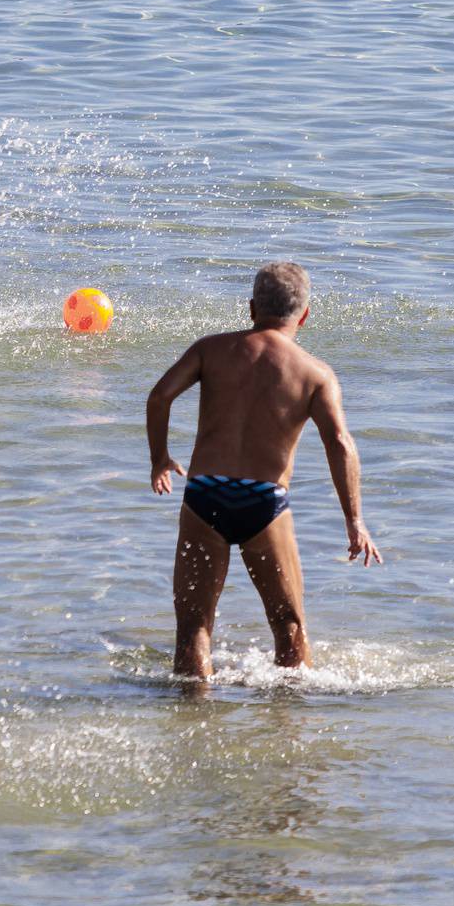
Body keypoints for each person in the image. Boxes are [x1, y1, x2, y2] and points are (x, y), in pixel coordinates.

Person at [146, 262, 379, 676]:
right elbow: (340, 444)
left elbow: (160, 396)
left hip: (205, 496)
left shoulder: (210, 349)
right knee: (289, 629)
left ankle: (191, 725)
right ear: (305, 315)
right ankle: (286, 726)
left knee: (194, 630)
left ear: (251, 308)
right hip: (264, 502)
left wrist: (160, 459)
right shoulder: (315, 374)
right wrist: (355, 521)